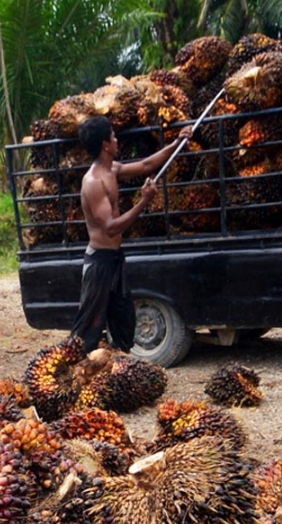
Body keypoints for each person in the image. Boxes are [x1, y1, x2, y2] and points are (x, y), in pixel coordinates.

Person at [70, 116, 194, 353]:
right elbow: (111, 227)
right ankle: (68, 373)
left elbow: (147, 165)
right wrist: (144, 201)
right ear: (105, 144)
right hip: (99, 263)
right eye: (113, 136)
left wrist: (177, 142)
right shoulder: (94, 182)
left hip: (115, 259)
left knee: (124, 320)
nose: (117, 140)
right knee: (89, 327)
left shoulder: (112, 169)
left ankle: (117, 370)